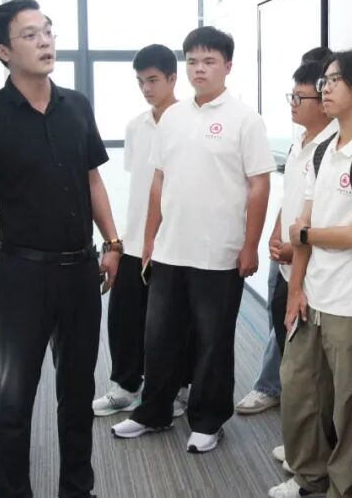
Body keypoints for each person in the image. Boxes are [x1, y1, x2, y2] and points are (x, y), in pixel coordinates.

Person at [0, 0, 121, 497]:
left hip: (80, 271)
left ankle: (77, 489)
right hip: (22, 276)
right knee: (15, 401)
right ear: (4, 51)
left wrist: (113, 242)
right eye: (30, 35)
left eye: (47, 31)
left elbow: (92, 179)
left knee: (78, 393)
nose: (45, 42)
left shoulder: (76, 106)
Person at [112, 26, 274, 454]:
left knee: (212, 342)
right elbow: (158, 181)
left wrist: (250, 245)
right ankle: (153, 412)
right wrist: (149, 238)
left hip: (219, 253)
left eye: (209, 61)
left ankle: (208, 420)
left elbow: (259, 185)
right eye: (193, 61)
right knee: (159, 338)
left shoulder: (246, 120)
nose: (199, 69)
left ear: (228, 67)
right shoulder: (173, 117)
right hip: (169, 250)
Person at [268, 50, 352, 498]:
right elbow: (303, 227)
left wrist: (305, 233)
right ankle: (309, 476)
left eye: (335, 80)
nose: (324, 88)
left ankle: (345, 489)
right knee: (299, 389)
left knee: (350, 405)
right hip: (313, 294)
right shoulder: (323, 151)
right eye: (323, 81)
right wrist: (295, 288)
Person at [237, 49, 334, 417]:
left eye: (299, 97)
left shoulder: (332, 149)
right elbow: (291, 197)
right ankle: (296, 427)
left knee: (309, 360)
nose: (292, 104)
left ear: (324, 102)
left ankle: (310, 439)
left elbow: (327, 217)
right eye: (291, 96)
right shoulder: (299, 143)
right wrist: (276, 233)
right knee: (286, 339)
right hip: (286, 261)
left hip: (312, 268)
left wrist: (297, 247)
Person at [93, 44, 180, 418]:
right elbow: (140, 185)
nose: (146, 88)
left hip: (175, 241)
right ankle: (125, 387)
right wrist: (121, 242)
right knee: (124, 316)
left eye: (153, 80)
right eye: (141, 81)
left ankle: (175, 389)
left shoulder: (187, 124)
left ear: (172, 78)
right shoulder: (135, 127)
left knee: (172, 323)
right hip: (135, 240)